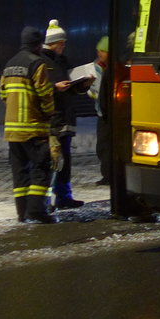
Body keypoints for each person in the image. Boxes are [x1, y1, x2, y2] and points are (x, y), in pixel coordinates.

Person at [0, 25, 57, 224]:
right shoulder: (37, 63)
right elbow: (44, 94)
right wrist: (49, 112)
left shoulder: (10, 64)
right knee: (41, 168)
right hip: (33, 129)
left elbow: (3, 94)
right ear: (38, 44)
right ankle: (36, 211)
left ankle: (22, 212)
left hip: (12, 131)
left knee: (20, 172)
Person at [40, 19, 84, 209]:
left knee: (64, 161)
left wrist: (81, 86)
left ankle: (64, 196)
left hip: (66, 118)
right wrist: (55, 88)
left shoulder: (62, 61)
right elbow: (39, 89)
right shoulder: (42, 61)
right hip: (54, 119)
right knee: (53, 160)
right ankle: (45, 200)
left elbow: (69, 85)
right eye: (61, 43)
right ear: (52, 43)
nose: (63, 46)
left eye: (64, 43)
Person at [89, 34, 110, 186]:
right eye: (98, 51)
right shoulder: (96, 68)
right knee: (101, 146)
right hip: (101, 112)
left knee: (108, 146)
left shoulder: (114, 69)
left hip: (111, 113)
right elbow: (92, 91)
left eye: (103, 51)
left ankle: (109, 175)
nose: (99, 54)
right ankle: (106, 174)